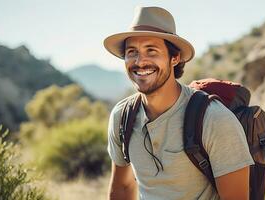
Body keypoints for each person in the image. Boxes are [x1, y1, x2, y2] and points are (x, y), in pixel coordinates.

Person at [104, 6, 254, 200]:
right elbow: (122, 188)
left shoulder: (214, 120)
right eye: (132, 52)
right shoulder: (122, 116)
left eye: (151, 50)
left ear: (174, 58)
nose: (140, 61)